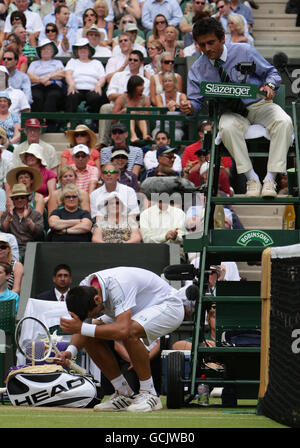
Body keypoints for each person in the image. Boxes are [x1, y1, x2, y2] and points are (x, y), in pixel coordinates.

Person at [180, 17, 294, 198]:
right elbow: (195, 103)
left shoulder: (244, 51)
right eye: (202, 45)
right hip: (230, 112)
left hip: (258, 104)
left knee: (284, 121)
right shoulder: (197, 69)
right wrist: (189, 108)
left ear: (222, 39)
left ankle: (271, 178)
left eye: (211, 42)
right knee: (226, 127)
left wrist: (270, 86)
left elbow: (271, 72)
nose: (207, 49)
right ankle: (252, 178)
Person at [59, 266, 185, 412]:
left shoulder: (119, 285)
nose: (93, 317)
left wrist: (82, 328)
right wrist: (70, 351)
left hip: (168, 306)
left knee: (129, 332)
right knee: (90, 332)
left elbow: (122, 330)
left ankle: (149, 393)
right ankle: (124, 394)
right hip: (136, 308)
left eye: (92, 314)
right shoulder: (84, 288)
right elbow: (84, 328)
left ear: (97, 299)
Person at [98, 50, 149, 147]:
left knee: (137, 111)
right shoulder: (118, 76)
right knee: (106, 107)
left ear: (141, 63)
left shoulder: (146, 81)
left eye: (135, 60)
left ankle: (140, 136)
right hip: (118, 105)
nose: (132, 62)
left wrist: (129, 99)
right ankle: (103, 142)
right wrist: (127, 96)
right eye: (130, 59)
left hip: (136, 108)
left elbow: (142, 99)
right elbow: (110, 95)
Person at [27, 39, 65, 132]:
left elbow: (62, 74)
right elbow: (29, 76)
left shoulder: (57, 63)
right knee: (36, 96)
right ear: (40, 52)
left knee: (52, 96)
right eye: (43, 49)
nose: (46, 51)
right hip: (38, 85)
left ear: (52, 52)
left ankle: (50, 124)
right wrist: (41, 80)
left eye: (48, 49)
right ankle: (38, 123)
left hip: (53, 84)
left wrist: (49, 77)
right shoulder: (34, 63)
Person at [0, 183, 44, 261]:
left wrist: (27, 219)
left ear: (27, 199)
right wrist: (9, 217)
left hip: (31, 247)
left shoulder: (36, 214)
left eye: (22, 197)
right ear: (13, 200)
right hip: (12, 247)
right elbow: (3, 231)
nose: (19, 200)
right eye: (16, 198)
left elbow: (39, 233)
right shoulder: (7, 214)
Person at [64, 38, 107, 114]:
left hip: (92, 89)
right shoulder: (72, 62)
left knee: (96, 97)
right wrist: (71, 84)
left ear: (89, 50)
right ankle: (69, 123)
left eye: (85, 48)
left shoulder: (97, 63)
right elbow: (68, 74)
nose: (83, 50)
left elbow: (103, 77)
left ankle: (94, 123)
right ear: (77, 51)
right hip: (76, 89)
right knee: (72, 96)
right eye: (80, 48)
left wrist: (98, 85)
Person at [112, 75, 151, 144]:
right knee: (131, 113)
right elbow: (113, 119)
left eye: (143, 85)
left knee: (139, 114)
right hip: (124, 124)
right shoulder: (121, 98)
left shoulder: (146, 99)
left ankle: (145, 135)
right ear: (133, 87)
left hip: (141, 124)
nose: (143, 87)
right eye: (140, 86)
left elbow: (147, 116)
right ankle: (133, 135)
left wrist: (137, 112)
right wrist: (122, 111)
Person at [152, 71, 186, 141]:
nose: (167, 83)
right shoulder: (159, 96)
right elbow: (161, 110)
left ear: (175, 83)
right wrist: (167, 107)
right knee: (156, 134)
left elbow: (185, 104)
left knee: (176, 135)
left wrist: (177, 104)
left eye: (170, 81)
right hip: (160, 127)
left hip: (176, 128)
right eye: (165, 81)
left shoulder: (181, 95)